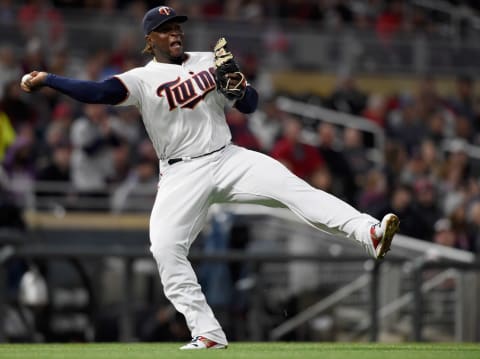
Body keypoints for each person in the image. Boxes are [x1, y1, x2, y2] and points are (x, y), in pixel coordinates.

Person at [20, 5, 399, 350]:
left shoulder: (209, 61)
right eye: (166, 29)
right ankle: (207, 332)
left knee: (294, 188)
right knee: (165, 248)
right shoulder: (142, 78)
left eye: (177, 27)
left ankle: (368, 232)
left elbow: (249, 106)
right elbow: (99, 92)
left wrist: (235, 81)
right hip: (181, 173)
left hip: (227, 157)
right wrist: (51, 79)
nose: (175, 33)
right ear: (149, 40)